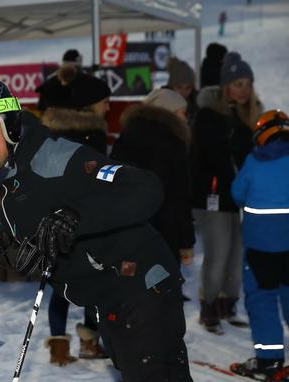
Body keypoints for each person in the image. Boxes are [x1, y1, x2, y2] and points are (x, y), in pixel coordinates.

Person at [0, 77, 234, 382]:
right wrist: (21, 254)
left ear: (9, 123)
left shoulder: (55, 156)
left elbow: (144, 187)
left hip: (141, 286)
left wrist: (76, 217)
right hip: (106, 302)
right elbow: (16, 238)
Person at [36, 66, 111, 364]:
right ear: (91, 103)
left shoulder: (51, 132)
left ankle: (58, 347)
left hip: (55, 217)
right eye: (104, 100)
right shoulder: (93, 133)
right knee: (94, 279)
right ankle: (90, 342)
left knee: (61, 281)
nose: (108, 106)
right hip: (88, 217)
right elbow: (101, 180)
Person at [191, 52, 261, 334]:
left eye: (247, 84)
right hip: (213, 197)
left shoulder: (248, 117)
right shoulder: (209, 115)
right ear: (225, 85)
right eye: (237, 83)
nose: (243, 90)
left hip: (237, 197)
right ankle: (209, 305)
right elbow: (213, 158)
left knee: (235, 254)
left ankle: (227, 303)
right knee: (218, 253)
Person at [229, 110, 289, 382]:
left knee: (262, 300)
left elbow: (237, 193)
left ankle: (269, 361)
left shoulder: (254, 160)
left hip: (261, 247)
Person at [112, 88, 195, 274]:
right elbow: (180, 196)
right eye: (182, 112)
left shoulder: (126, 137)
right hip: (165, 233)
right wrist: (186, 241)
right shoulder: (173, 143)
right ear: (169, 113)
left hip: (129, 231)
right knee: (163, 292)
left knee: (133, 293)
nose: (186, 118)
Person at [164, 57, 198, 125]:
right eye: (179, 87)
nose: (183, 92)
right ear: (171, 86)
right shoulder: (161, 106)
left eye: (188, 88)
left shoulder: (197, 106)